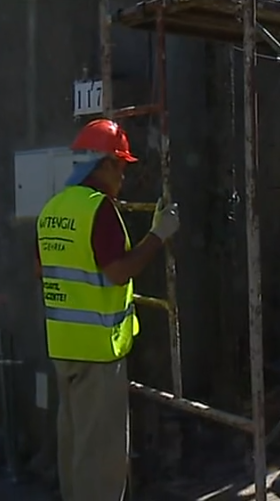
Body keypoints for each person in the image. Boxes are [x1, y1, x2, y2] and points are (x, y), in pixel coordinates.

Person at [35, 118, 180, 501]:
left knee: (75, 450)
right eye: (120, 166)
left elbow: (42, 271)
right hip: (98, 352)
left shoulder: (53, 208)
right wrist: (159, 236)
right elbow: (119, 272)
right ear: (102, 165)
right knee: (101, 461)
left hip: (63, 347)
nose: (123, 178)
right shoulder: (99, 210)